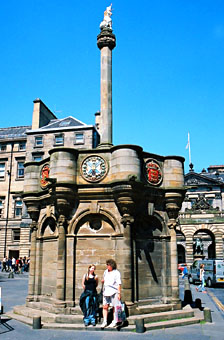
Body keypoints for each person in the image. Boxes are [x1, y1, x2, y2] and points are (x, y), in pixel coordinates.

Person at [101, 259, 122, 329]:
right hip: (106, 291)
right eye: (107, 264)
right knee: (105, 306)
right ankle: (105, 321)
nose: (107, 266)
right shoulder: (105, 272)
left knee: (114, 307)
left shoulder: (116, 273)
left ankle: (115, 321)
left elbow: (119, 283)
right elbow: (104, 279)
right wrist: (103, 281)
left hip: (114, 291)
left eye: (108, 265)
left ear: (112, 265)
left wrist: (119, 293)